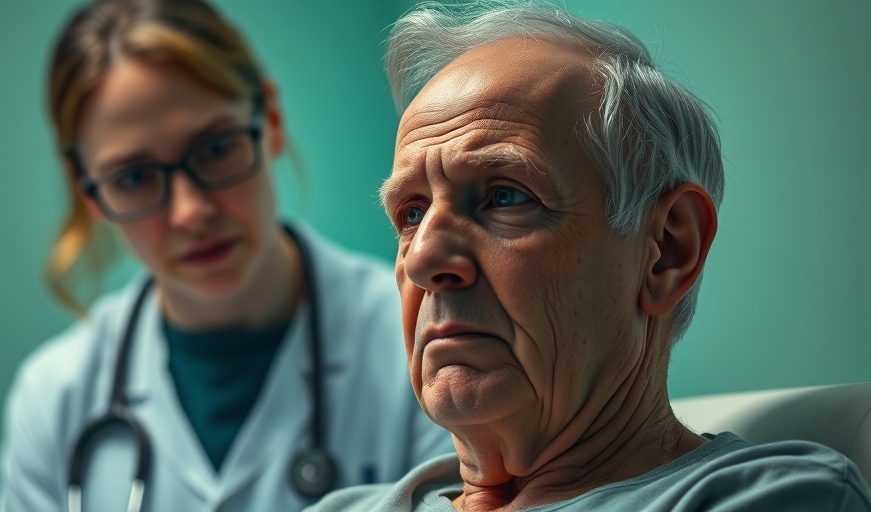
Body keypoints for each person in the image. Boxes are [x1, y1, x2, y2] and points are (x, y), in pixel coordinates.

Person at [307, 1, 871, 511]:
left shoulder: (770, 498)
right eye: (411, 213)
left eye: (505, 196)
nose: (424, 258)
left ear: (668, 250)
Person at [0, 0, 454, 510]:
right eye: (134, 178)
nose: (190, 212)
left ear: (271, 121)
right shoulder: (55, 398)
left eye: (215, 149)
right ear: (91, 197)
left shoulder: (425, 338)